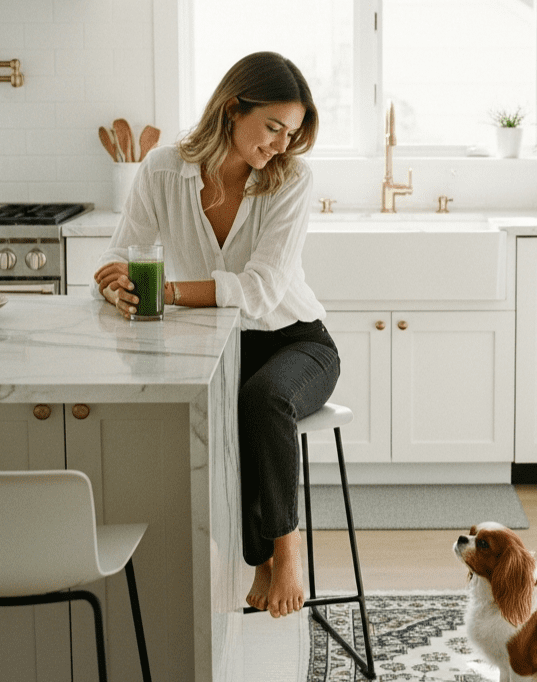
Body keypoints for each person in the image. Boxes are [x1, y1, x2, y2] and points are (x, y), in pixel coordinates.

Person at [93, 52, 338, 619]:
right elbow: (119, 251)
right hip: (217, 346)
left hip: (297, 341)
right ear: (233, 109)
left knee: (262, 398)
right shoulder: (160, 169)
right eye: (273, 127)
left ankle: (285, 549)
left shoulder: (290, 180)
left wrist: (165, 291)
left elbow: (262, 291)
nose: (281, 144)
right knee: (218, 409)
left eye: (292, 133)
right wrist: (115, 285)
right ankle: (249, 558)